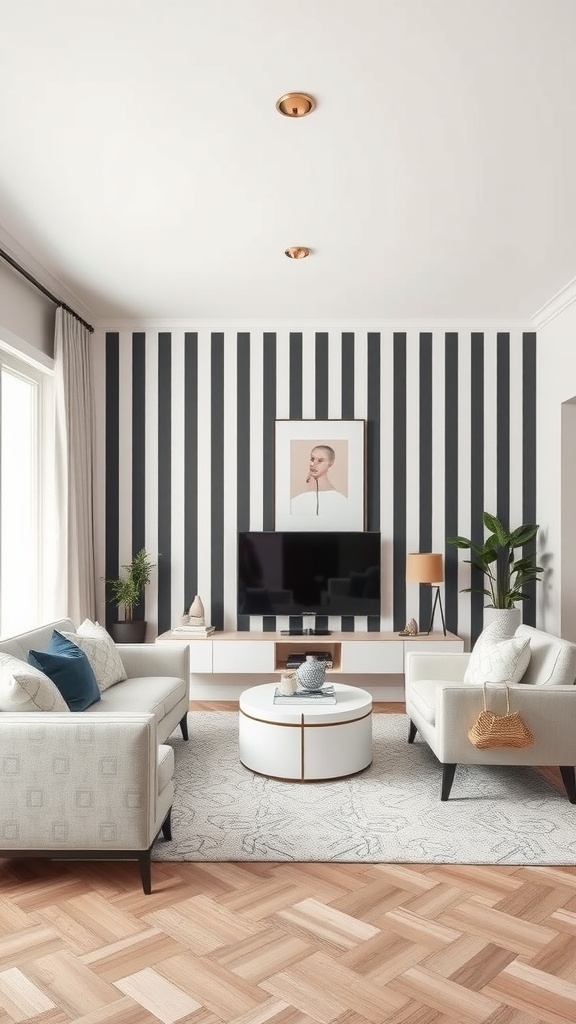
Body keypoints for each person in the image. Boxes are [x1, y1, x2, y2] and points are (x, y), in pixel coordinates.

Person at [290, 444, 349, 517]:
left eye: (320, 460)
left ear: (330, 463)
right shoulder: (295, 502)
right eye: (312, 459)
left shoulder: (341, 502)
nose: (313, 464)